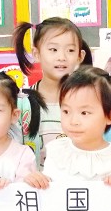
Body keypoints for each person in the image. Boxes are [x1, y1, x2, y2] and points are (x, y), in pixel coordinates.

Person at [31, 67, 111, 187]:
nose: (73, 121)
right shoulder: (57, 152)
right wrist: (38, 181)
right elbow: (49, 190)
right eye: (66, 111)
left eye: (84, 113)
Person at [13, 17, 93, 164]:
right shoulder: (22, 103)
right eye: (53, 50)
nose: (61, 57)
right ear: (36, 54)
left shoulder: (88, 101)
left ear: (80, 56)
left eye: (70, 50)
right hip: (34, 178)